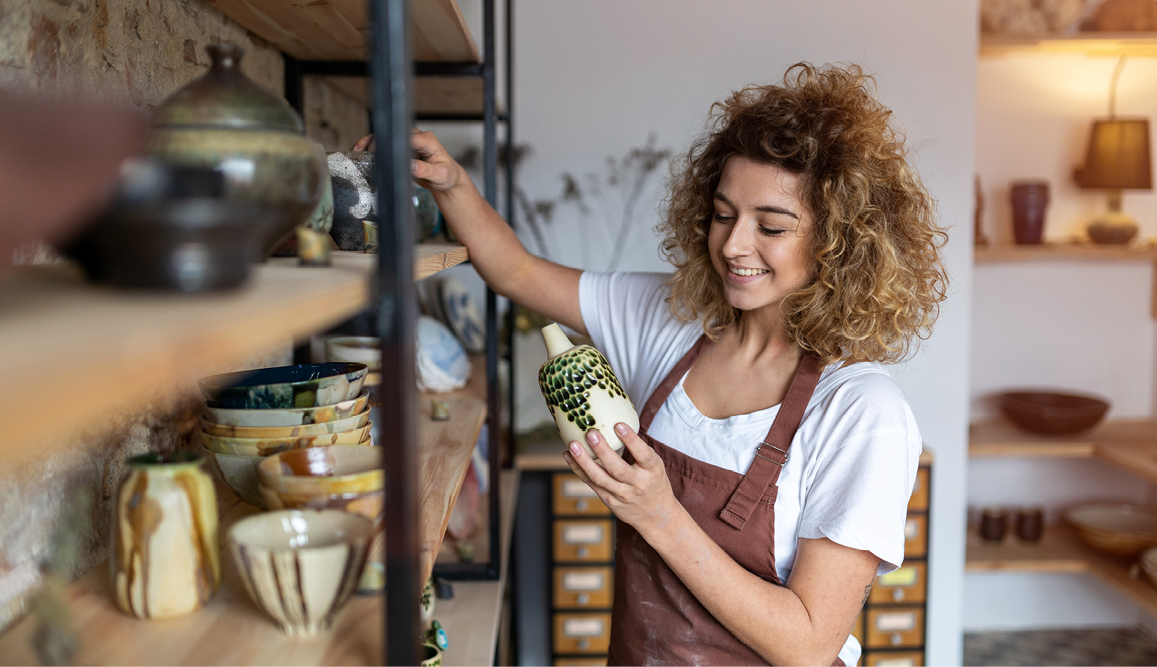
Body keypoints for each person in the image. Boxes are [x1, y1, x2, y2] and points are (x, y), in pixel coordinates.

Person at [384, 62, 947, 666]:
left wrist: (660, 517)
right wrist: (449, 183)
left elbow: (808, 645)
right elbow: (518, 272)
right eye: (724, 214)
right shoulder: (669, 323)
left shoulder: (862, 412)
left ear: (839, 240)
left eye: (771, 226)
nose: (733, 245)